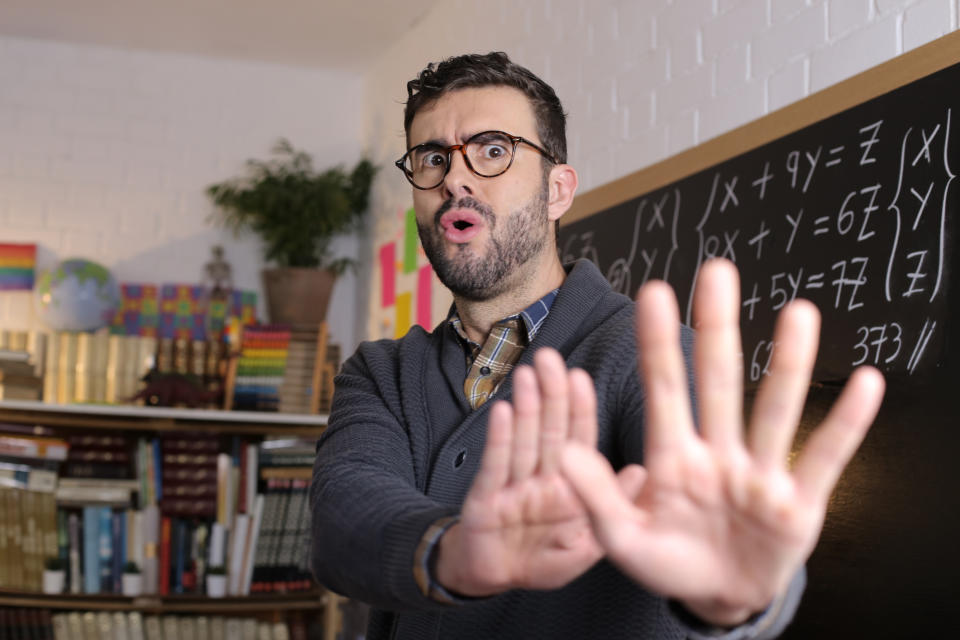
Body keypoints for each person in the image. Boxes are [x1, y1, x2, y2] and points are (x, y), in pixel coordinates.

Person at [309, 52, 885, 640]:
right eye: (432, 158)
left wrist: (733, 597)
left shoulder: (652, 356)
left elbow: (707, 518)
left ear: (558, 191)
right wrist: (454, 554)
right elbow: (343, 516)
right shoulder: (379, 373)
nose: (455, 178)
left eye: (492, 151)